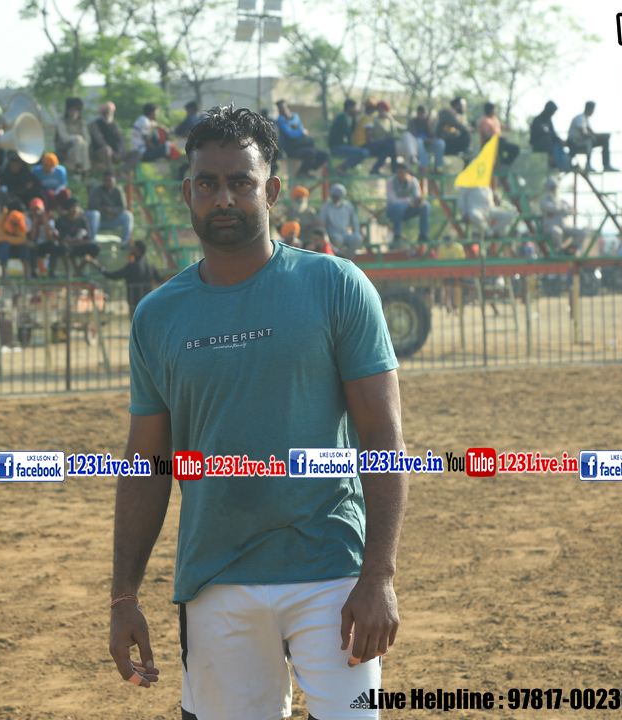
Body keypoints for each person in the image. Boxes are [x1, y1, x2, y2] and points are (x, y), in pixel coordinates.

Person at [108, 104, 406, 720]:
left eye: (241, 182)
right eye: (208, 183)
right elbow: (146, 464)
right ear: (188, 193)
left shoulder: (336, 285)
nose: (224, 198)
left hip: (330, 571)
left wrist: (378, 574)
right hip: (215, 577)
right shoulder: (157, 316)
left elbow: (381, 437)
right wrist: (123, 596)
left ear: (270, 191)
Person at [95, 240, 163, 318]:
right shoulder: (150, 266)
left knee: (136, 324)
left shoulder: (132, 266)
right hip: (148, 302)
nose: (131, 248)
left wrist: (98, 266)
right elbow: (160, 279)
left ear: (138, 250)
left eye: (134, 247)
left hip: (135, 303)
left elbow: (114, 275)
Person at [274, 99, 328, 177]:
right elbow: (290, 133)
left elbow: (298, 129)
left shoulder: (295, 116)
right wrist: (301, 132)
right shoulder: (280, 119)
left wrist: (297, 131)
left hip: (301, 145)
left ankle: (310, 169)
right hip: (291, 148)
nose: (281, 110)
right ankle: (301, 172)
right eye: (279, 108)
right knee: (311, 153)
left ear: (288, 107)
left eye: (283, 108)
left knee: (324, 154)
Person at [86, 171, 134, 247]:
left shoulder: (118, 190)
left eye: (110, 180)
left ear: (114, 181)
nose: (108, 183)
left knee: (127, 215)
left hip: (112, 219)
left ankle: (125, 243)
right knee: (94, 214)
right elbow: (96, 207)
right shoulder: (97, 190)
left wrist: (110, 210)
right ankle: (92, 241)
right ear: (103, 181)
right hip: (98, 221)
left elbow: (122, 207)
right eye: (106, 180)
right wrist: (108, 214)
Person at [385, 164, 430, 244]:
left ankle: (423, 234)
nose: (400, 175)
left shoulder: (413, 181)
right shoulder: (390, 182)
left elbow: (417, 195)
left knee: (425, 206)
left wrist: (419, 200)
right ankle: (397, 235)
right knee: (399, 206)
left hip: (406, 210)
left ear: (407, 172)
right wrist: (410, 201)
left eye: (402, 172)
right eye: (398, 172)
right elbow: (393, 200)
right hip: (392, 211)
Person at [90, 102, 142, 171]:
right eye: (105, 113)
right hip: (101, 153)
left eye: (110, 113)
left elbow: (121, 139)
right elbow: (99, 141)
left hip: (116, 153)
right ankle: (109, 173)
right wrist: (113, 153)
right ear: (102, 114)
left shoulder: (114, 125)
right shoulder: (95, 124)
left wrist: (119, 152)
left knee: (137, 153)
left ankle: (120, 172)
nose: (108, 115)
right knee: (106, 150)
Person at [540, 177, 586, 254]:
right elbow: (550, 208)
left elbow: (571, 211)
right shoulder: (544, 200)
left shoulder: (562, 201)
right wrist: (562, 209)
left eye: (556, 187)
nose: (554, 190)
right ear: (548, 189)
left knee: (582, 233)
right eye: (552, 188)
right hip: (551, 227)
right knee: (557, 232)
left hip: (565, 227)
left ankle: (570, 251)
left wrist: (559, 209)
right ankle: (559, 250)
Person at [568, 101, 617, 173]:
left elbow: (592, 133)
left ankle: (606, 165)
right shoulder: (580, 118)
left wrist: (603, 136)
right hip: (575, 142)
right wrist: (600, 135)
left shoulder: (586, 119)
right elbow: (583, 134)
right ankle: (588, 164)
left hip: (582, 141)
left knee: (604, 140)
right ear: (591, 109)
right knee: (590, 140)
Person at [373, 101, 422, 172]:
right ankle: (407, 168)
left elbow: (403, 129)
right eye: (379, 109)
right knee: (406, 146)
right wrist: (391, 120)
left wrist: (412, 125)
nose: (381, 111)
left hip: (393, 145)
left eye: (383, 110)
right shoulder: (376, 120)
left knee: (407, 135)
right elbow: (390, 134)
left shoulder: (389, 120)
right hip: (383, 144)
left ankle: (412, 158)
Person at [319, 183, 364, 258]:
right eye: (333, 196)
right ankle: (336, 257)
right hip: (332, 235)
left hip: (346, 235)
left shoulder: (348, 206)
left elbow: (354, 222)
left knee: (357, 237)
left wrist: (355, 232)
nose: (335, 198)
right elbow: (321, 222)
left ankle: (348, 257)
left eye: (337, 196)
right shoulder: (326, 207)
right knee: (338, 239)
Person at [0, 199, 32, 281]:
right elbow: (1, 238)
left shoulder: (18, 219)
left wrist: (16, 226)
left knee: (24, 247)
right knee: (4, 244)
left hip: (12, 248)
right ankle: (4, 276)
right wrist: (21, 241)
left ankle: (27, 275)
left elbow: (22, 237)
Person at [57, 198, 100, 273]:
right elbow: (61, 240)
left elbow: (87, 239)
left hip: (78, 247)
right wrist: (76, 239)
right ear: (68, 208)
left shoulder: (82, 220)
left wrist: (73, 241)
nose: (75, 209)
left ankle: (79, 269)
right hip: (67, 248)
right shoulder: (61, 221)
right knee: (63, 247)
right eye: (73, 206)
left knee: (96, 247)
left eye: (77, 206)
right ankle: (68, 271)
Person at [132, 103, 180, 168]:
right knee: (168, 145)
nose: (158, 114)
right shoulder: (145, 122)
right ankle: (175, 156)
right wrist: (156, 149)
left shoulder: (143, 119)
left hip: (140, 151)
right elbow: (147, 142)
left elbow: (157, 125)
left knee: (159, 132)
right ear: (153, 112)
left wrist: (166, 130)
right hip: (143, 154)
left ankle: (168, 153)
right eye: (157, 112)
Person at [328, 98, 370, 171]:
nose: (356, 110)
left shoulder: (346, 117)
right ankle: (341, 167)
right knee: (364, 152)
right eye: (354, 107)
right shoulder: (342, 117)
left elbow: (351, 131)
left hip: (339, 147)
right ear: (349, 108)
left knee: (362, 153)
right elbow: (349, 134)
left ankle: (342, 168)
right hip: (337, 148)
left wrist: (354, 118)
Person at [56, 97, 92, 176]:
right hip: (66, 150)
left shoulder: (81, 123)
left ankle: (79, 170)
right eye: (71, 110)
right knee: (78, 141)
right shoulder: (62, 122)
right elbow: (64, 138)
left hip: (81, 149)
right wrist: (77, 138)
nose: (73, 113)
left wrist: (81, 141)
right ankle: (84, 171)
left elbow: (87, 138)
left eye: (75, 110)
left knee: (84, 144)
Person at [27, 197, 62, 278]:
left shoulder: (49, 219)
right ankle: (33, 272)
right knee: (32, 246)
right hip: (35, 245)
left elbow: (51, 238)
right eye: (35, 210)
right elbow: (31, 238)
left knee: (54, 244)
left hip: (46, 245)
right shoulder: (28, 219)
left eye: (39, 209)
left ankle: (52, 271)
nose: (37, 212)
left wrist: (46, 224)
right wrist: (34, 225)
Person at [529, 100, 567, 170]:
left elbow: (553, 134)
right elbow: (542, 134)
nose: (553, 114)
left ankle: (562, 163)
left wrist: (560, 140)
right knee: (547, 139)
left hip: (548, 144)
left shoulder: (549, 120)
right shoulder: (538, 120)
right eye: (553, 112)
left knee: (558, 142)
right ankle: (552, 162)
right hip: (537, 145)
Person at [479, 102, 520, 168]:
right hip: (490, 145)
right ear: (492, 110)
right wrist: (498, 137)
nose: (496, 111)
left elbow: (500, 125)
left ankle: (505, 165)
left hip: (500, 143)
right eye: (495, 109)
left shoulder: (494, 119)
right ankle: (499, 164)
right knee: (500, 140)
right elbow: (485, 135)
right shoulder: (485, 120)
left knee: (515, 149)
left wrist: (507, 128)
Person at [407, 105, 445, 170]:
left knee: (440, 143)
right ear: (417, 113)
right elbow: (413, 136)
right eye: (421, 113)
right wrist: (428, 140)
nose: (423, 115)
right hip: (417, 146)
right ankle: (423, 167)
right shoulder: (412, 122)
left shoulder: (430, 121)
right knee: (419, 141)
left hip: (429, 145)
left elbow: (434, 136)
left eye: (424, 113)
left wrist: (429, 125)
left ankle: (437, 168)